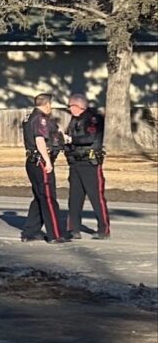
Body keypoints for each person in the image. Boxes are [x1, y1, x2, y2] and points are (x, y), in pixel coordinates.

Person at [20, 92, 66, 243]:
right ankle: (55, 234)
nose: (51, 107)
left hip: (32, 161)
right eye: (50, 104)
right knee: (48, 198)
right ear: (46, 104)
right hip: (40, 161)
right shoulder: (40, 119)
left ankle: (30, 232)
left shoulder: (30, 117)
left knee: (39, 197)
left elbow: (53, 136)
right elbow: (39, 140)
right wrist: (48, 162)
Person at [63, 92, 110, 240]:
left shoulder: (93, 119)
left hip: (89, 163)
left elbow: (89, 137)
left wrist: (71, 139)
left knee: (96, 197)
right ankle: (73, 228)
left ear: (78, 106)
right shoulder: (74, 120)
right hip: (75, 163)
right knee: (74, 198)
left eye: (70, 106)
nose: (69, 109)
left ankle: (104, 229)